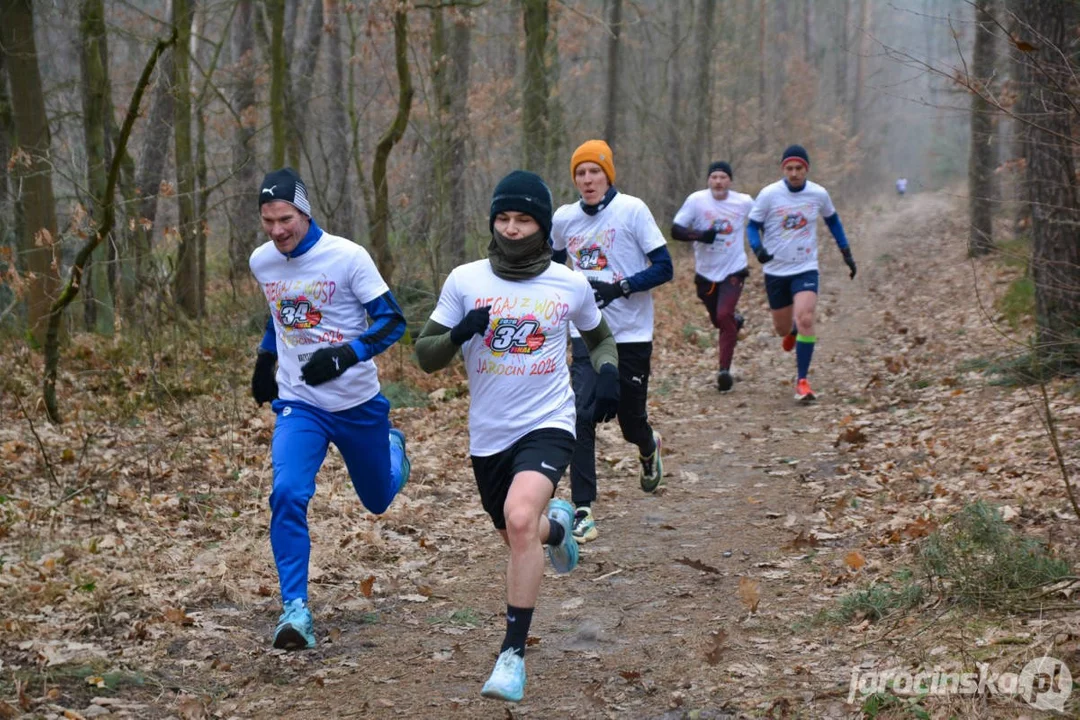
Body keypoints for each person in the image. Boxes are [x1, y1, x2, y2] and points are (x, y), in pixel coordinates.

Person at [414, 170, 619, 703]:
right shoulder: (465, 280)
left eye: (522, 219)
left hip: (549, 422)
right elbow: (424, 355)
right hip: (489, 437)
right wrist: (460, 331)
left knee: (520, 517)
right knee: (519, 534)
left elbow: (599, 337)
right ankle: (559, 532)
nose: (510, 229)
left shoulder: (568, 283)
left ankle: (512, 655)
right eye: (502, 218)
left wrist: (609, 375)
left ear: (542, 226)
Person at [249, 167, 411, 651]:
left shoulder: (347, 258)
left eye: (285, 219)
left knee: (378, 499)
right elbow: (279, 314)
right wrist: (265, 358)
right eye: (268, 221)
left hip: (356, 403)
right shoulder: (264, 262)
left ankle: (393, 449)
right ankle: (295, 610)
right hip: (300, 403)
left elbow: (393, 322)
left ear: (305, 212)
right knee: (287, 493)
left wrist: (346, 354)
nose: (278, 230)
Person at [550, 139, 674, 544]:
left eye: (594, 172)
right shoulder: (564, 219)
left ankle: (647, 443)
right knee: (581, 416)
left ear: (608, 175)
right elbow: (551, 268)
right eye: (580, 173)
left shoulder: (632, 210)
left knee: (628, 420)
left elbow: (664, 267)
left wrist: (619, 287)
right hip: (585, 333)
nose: (587, 180)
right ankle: (583, 508)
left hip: (632, 334)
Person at [746, 145, 857, 403]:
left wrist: (846, 253)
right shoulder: (769, 194)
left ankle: (802, 381)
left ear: (806, 169)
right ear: (782, 169)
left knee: (807, 318)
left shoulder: (818, 194)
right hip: (775, 270)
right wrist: (758, 249)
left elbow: (833, 221)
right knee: (781, 328)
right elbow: (752, 226)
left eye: (799, 168)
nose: (794, 173)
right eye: (789, 168)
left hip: (805, 267)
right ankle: (793, 329)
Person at [670, 160, 754, 393]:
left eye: (723, 177)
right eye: (714, 177)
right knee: (720, 321)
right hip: (706, 273)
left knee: (724, 314)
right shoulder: (696, 201)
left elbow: (760, 221)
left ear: (730, 180)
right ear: (708, 180)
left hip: (733, 269)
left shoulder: (743, 202)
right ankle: (734, 324)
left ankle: (724, 371)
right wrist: (699, 235)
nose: (718, 182)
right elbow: (675, 230)